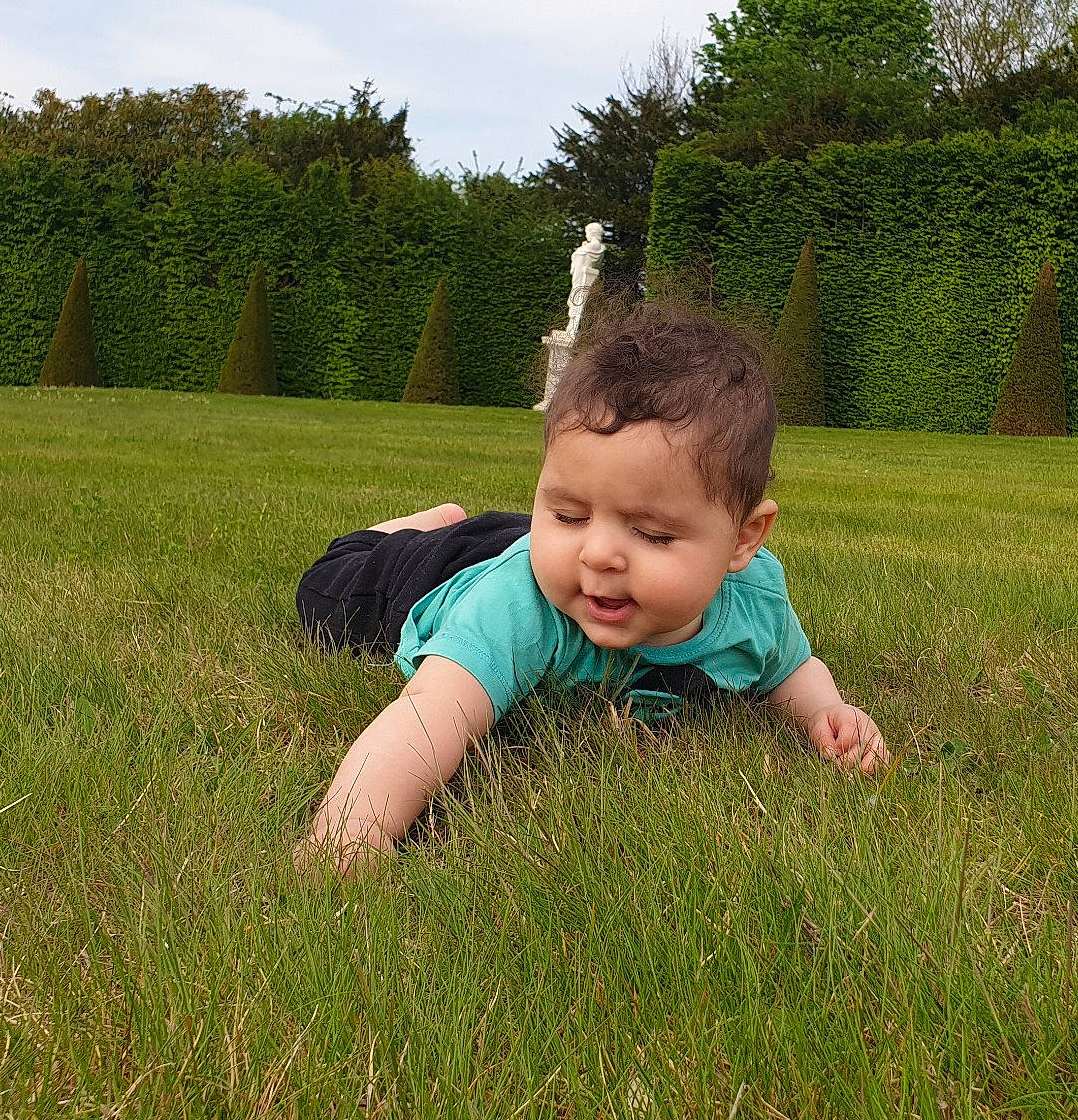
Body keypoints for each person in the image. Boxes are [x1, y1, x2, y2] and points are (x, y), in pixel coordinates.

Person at [295, 307, 889, 870]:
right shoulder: (519, 607)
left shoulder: (755, 601)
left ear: (742, 539)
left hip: (529, 543)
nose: (599, 553)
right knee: (325, 590)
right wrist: (352, 835)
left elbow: (789, 667)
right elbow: (432, 713)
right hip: (430, 572)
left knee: (541, 539)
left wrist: (826, 710)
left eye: (653, 533)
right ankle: (411, 527)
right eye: (569, 513)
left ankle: (505, 522)